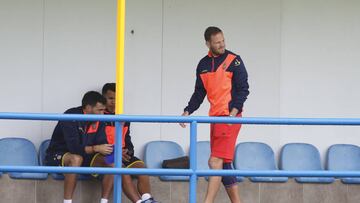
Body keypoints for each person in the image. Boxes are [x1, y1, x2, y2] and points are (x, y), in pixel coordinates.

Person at [180, 26, 249, 203]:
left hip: (229, 118)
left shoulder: (235, 61)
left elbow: (243, 89)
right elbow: (199, 93)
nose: (222, 45)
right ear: (208, 43)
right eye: (217, 42)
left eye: (223, 40)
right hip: (215, 118)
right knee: (224, 164)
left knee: (215, 162)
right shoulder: (203, 65)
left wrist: (233, 112)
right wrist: (188, 110)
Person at [46, 91, 114, 203]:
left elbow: (102, 142)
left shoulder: (100, 120)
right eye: (99, 110)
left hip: (87, 155)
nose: (103, 114)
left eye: (103, 110)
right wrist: (96, 148)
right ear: (87, 108)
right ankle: (67, 201)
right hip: (60, 153)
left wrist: (112, 151)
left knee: (112, 161)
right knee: (76, 158)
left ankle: (104, 201)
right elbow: (74, 148)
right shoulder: (70, 116)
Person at [102, 83, 158, 203]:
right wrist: (115, 151)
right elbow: (98, 140)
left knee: (142, 169)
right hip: (107, 154)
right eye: (111, 98)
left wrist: (129, 150)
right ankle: (138, 202)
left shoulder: (124, 117)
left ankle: (147, 199)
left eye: (117, 99)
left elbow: (127, 138)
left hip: (123, 154)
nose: (114, 102)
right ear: (103, 98)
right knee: (122, 171)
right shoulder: (99, 116)